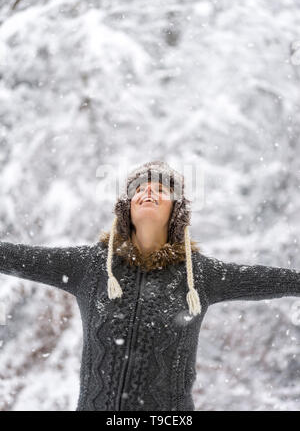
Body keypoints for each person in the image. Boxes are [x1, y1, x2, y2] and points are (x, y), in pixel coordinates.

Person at [0, 160, 300, 411]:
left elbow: (275, 279)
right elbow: (14, 256)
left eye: (160, 189)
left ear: (176, 211)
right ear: (126, 209)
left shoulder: (200, 275)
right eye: (139, 190)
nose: (147, 193)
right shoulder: (89, 266)